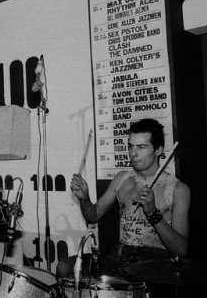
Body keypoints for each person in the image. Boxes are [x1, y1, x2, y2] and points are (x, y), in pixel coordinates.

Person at [63, 118, 190, 278]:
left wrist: (152, 213)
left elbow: (181, 249)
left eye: (141, 147)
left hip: (154, 263)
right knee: (65, 267)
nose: (133, 153)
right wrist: (84, 199)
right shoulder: (122, 179)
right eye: (130, 146)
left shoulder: (178, 189)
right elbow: (93, 216)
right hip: (120, 257)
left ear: (158, 150)